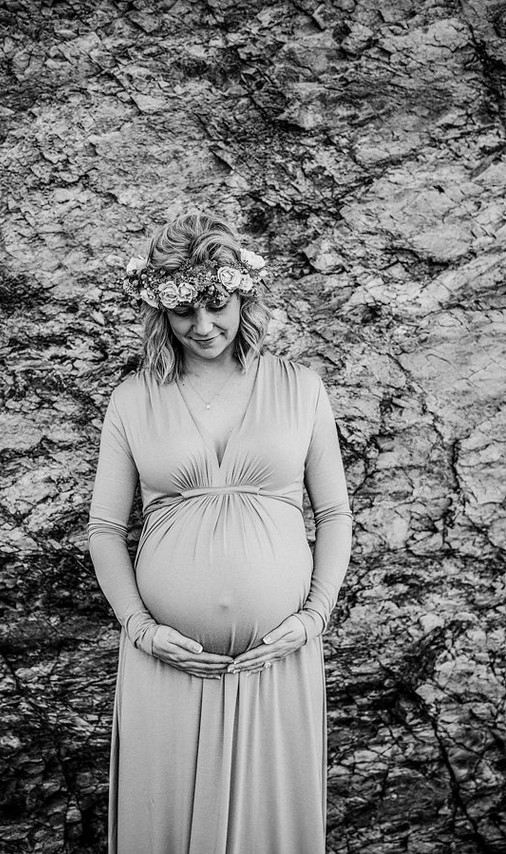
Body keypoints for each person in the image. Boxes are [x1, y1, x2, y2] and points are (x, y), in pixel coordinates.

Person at [88, 212, 353, 854]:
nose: (202, 327)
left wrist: (313, 617)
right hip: (167, 662)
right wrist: (141, 630)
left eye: (216, 303)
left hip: (277, 656)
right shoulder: (133, 398)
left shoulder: (301, 388)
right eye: (182, 311)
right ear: (160, 310)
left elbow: (335, 516)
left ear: (243, 295)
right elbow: (103, 529)